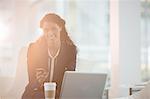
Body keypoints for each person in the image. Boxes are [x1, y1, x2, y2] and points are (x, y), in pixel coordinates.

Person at [22, 13, 77, 99]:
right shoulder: (33, 49)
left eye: (53, 28)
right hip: (36, 93)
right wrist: (38, 81)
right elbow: (31, 80)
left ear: (60, 28)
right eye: (46, 30)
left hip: (59, 94)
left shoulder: (70, 50)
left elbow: (68, 80)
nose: (50, 33)